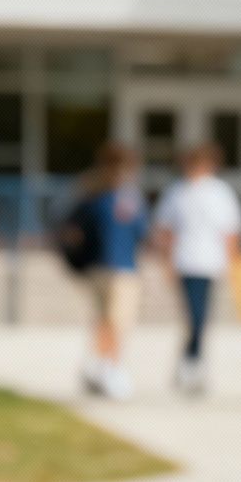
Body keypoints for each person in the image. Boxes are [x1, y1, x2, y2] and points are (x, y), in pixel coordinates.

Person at [153, 141, 241, 398]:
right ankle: (191, 363)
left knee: (201, 318)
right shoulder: (177, 192)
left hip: (210, 262)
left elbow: (231, 231)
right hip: (186, 262)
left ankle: (192, 362)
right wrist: (167, 263)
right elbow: (166, 231)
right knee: (194, 317)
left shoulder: (220, 192)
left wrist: (232, 262)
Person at [73, 140, 146, 401]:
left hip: (99, 267)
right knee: (117, 321)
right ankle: (110, 368)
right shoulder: (124, 198)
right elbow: (140, 232)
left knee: (104, 319)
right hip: (120, 268)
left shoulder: (92, 193)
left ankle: (100, 365)